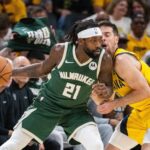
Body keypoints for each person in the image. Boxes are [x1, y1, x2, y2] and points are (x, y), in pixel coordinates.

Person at [0, 19, 113, 150]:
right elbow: (41, 69)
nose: (99, 44)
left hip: (76, 110)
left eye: (100, 39)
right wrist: (11, 72)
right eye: (94, 40)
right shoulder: (61, 51)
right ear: (80, 41)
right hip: (47, 106)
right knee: (14, 144)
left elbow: (109, 88)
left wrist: (106, 91)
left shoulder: (104, 59)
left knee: (96, 145)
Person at [95, 21, 150, 150]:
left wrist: (113, 104)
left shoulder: (121, 60)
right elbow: (104, 102)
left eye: (107, 34)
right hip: (140, 113)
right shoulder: (102, 65)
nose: (102, 38)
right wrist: (100, 100)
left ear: (116, 39)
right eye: (99, 36)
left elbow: (145, 92)